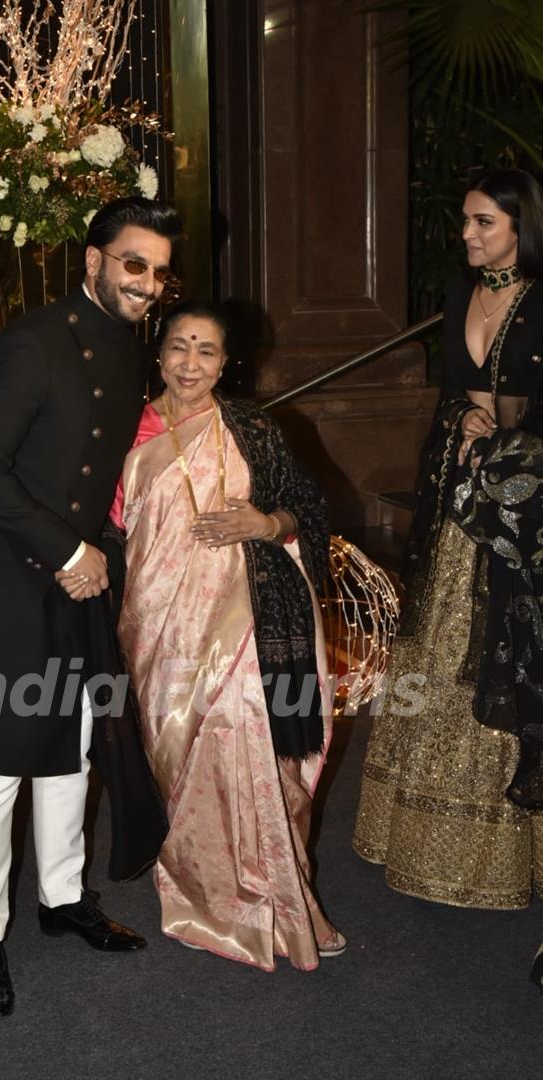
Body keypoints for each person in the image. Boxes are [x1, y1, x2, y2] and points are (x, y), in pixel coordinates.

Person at [0, 196, 181, 1019]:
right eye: (133, 264)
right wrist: (68, 551)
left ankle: (60, 898)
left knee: (74, 748)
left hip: (85, 580)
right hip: (20, 579)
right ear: (92, 260)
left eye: (157, 271)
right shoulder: (30, 342)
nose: (147, 284)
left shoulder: (130, 350)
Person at [111, 299, 345, 971]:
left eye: (207, 351)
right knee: (183, 758)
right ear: (159, 352)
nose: (191, 363)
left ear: (225, 362)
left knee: (250, 741)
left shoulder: (251, 427)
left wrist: (265, 526)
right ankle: (207, 894)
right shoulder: (122, 429)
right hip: (156, 627)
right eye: (180, 346)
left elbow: (309, 508)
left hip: (247, 619)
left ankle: (286, 899)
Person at [353, 170, 543, 938]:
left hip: (524, 517)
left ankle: (509, 854)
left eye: (483, 223)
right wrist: (465, 428)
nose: (467, 235)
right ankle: (431, 840)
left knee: (508, 653)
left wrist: (501, 433)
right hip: (460, 500)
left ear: (522, 225)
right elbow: (453, 395)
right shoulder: (458, 295)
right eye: (465, 221)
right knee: (439, 650)